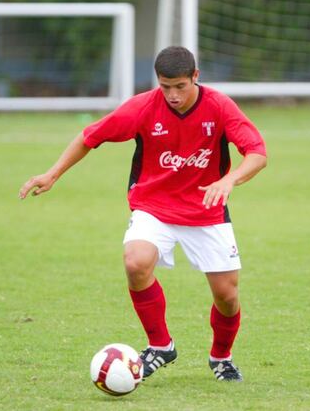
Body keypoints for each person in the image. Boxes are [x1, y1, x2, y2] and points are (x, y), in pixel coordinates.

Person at [19, 46, 267, 382]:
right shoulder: (143, 107)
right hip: (153, 206)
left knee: (227, 295)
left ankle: (221, 357)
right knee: (135, 262)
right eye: (165, 86)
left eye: (180, 86)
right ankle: (160, 346)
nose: (173, 95)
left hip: (206, 210)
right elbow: (90, 136)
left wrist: (229, 180)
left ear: (195, 77)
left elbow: (257, 153)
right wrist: (52, 174)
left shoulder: (219, 106)